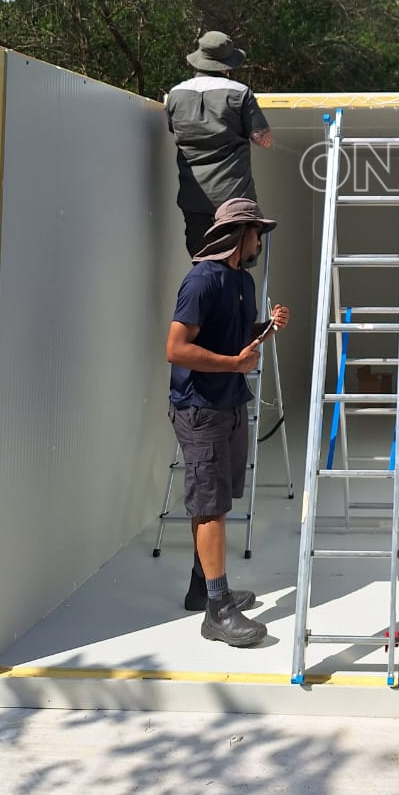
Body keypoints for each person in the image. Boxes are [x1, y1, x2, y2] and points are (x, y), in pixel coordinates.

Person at [165, 196, 290, 647]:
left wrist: (267, 328)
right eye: (258, 231)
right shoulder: (202, 280)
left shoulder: (242, 281)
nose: (261, 239)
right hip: (200, 410)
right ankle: (217, 612)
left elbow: (236, 341)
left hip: (231, 404)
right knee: (210, 506)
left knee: (218, 501)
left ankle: (203, 588)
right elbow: (176, 348)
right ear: (241, 233)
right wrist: (233, 366)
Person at [166, 30, 273, 257]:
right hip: (234, 198)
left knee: (202, 261)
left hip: (193, 197)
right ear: (227, 66)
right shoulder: (240, 93)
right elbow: (263, 139)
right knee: (236, 261)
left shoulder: (175, 94)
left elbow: (174, 130)